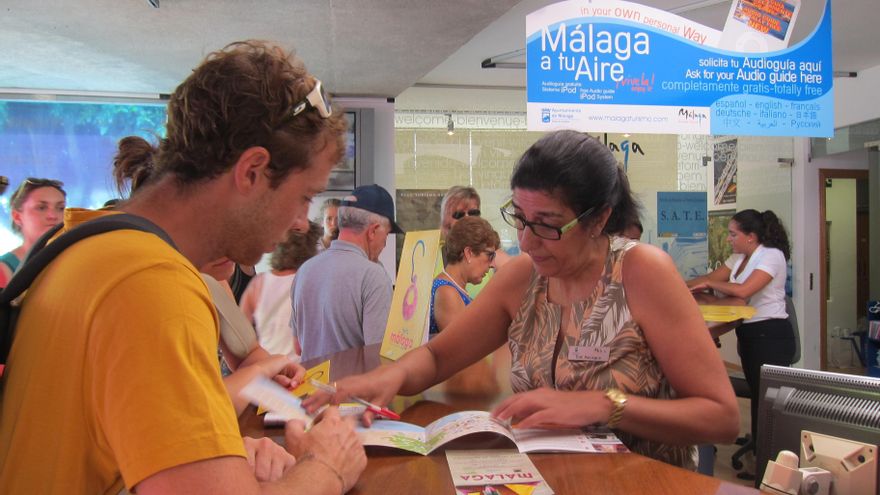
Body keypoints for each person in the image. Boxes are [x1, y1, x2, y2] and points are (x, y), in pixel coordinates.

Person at [0, 40, 365, 494]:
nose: (299, 222)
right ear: (252, 170)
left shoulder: (86, 243)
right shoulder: (152, 286)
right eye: (304, 196)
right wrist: (327, 467)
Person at [305, 130, 739, 470]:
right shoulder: (521, 279)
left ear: (600, 218)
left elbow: (720, 417)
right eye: (520, 218)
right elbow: (438, 359)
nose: (528, 241)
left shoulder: (643, 273)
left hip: (639, 483)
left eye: (548, 224)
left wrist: (604, 404)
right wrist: (390, 378)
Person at [686, 208, 795, 453]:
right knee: (758, 396)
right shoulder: (738, 259)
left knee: (767, 401)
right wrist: (676, 285)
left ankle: (768, 455)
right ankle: (759, 451)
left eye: (733, 234)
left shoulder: (771, 255)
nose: (728, 239)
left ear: (751, 236)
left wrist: (710, 284)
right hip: (749, 334)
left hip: (771, 335)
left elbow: (744, 291)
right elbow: (710, 277)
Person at [290, 184, 403, 362]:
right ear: (373, 231)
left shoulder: (305, 270)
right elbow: (380, 357)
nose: (385, 244)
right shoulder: (373, 276)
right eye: (387, 234)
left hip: (310, 386)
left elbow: (298, 347)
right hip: (351, 388)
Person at [240, 222, 322, 358]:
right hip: (303, 370)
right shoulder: (314, 283)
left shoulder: (258, 283)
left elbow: (240, 335)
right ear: (311, 249)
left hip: (268, 369)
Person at [430, 216, 499, 336]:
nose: (492, 264)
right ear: (469, 253)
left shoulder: (452, 288)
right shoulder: (447, 292)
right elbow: (458, 351)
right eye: (490, 255)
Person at [0, 178, 66, 287]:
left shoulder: (74, 257)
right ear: (17, 217)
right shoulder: (3, 269)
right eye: (41, 208)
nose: (53, 216)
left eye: (60, 208)